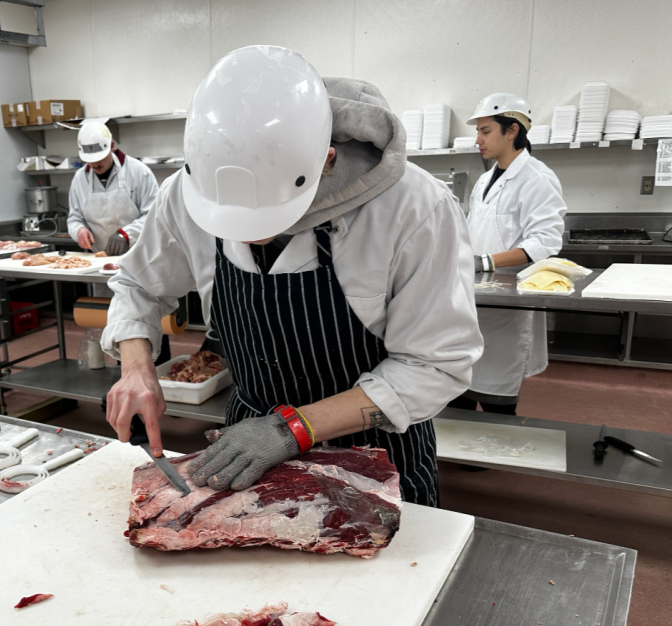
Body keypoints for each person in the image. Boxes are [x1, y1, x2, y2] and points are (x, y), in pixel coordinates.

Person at [101, 46, 483, 506]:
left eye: (270, 220)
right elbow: (139, 285)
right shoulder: (188, 192)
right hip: (247, 443)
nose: (250, 238)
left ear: (326, 159)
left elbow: (436, 363)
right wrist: (136, 368)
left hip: (376, 450)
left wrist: (294, 428)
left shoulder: (412, 207)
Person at [450, 93, 567, 415]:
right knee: (461, 378)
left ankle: (492, 441)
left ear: (512, 130)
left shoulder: (537, 178)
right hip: (475, 294)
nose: (478, 140)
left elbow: (545, 241)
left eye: (485, 131)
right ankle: (463, 439)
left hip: (510, 301)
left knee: (496, 388)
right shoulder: (486, 180)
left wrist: (486, 262)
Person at [67, 120, 160, 257]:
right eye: (90, 159)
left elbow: (153, 215)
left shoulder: (139, 172)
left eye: (100, 158)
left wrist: (126, 234)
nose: (95, 164)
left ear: (111, 146)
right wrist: (79, 230)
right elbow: (74, 218)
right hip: (99, 258)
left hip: (139, 256)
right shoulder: (80, 179)